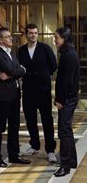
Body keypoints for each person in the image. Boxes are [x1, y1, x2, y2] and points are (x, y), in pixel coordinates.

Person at [0, 27, 30, 167]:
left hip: (14, 95)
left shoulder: (11, 53)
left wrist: (17, 71)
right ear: (0, 40)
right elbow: (15, 69)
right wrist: (18, 70)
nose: (11, 38)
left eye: (10, 36)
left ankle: (14, 155)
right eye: (7, 36)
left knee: (14, 126)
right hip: (3, 96)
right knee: (0, 127)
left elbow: (15, 70)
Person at [17, 24, 57, 163]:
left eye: (35, 33)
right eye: (31, 33)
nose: (33, 35)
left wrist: (43, 76)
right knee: (30, 119)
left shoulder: (45, 48)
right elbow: (19, 68)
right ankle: (34, 145)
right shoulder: (21, 51)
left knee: (47, 119)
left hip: (43, 90)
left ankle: (50, 150)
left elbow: (53, 65)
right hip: (28, 90)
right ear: (26, 34)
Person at [53, 26, 80, 177]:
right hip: (68, 98)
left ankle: (65, 166)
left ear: (64, 38)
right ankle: (72, 160)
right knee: (67, 130)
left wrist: (59, 100)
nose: (55, 40)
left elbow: (67, 82)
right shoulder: (67, 54)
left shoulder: (69, 56)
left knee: (64, 131)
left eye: (56, 37)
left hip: (67, 99)